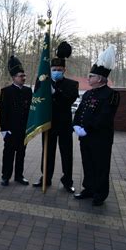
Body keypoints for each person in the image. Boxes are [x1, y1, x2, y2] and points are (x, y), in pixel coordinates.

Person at [73, 45, 120, 206]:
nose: (88, 78)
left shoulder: (111, 95)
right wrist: (76, 125)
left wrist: (87, 128)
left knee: (100, 166)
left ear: (100, 78)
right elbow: (79, 111)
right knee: (88, 164)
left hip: (100, 138)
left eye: (90, 76)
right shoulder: (87, 93)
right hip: (85, 137)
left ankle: (100, 193)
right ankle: (89, 189)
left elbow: (105, 117)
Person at [33, 41, 78, 193]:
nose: (56, 71)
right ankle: (45, 177)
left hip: (64, 124)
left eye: (59, 69)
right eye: (54, 69)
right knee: (47, 152)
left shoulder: (72, 84)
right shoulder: (43, 83)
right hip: (48, 123)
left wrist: (55, 92)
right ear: (50, 69)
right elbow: (37, 98)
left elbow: (69, 100)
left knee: (66, 154)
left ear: (64, 69)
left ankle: (67, 181)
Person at [0, 56, 32, 186]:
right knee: (8, 154)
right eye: (20, 76)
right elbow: (3, 111)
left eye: (24, 75)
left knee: (21, 154)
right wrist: (3, 129)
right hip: (10, 130)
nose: (23, 78)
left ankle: (19, 176)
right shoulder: (6, 91)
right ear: (13, 77)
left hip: (23, 129)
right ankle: (5, 176)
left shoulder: (28, 91)